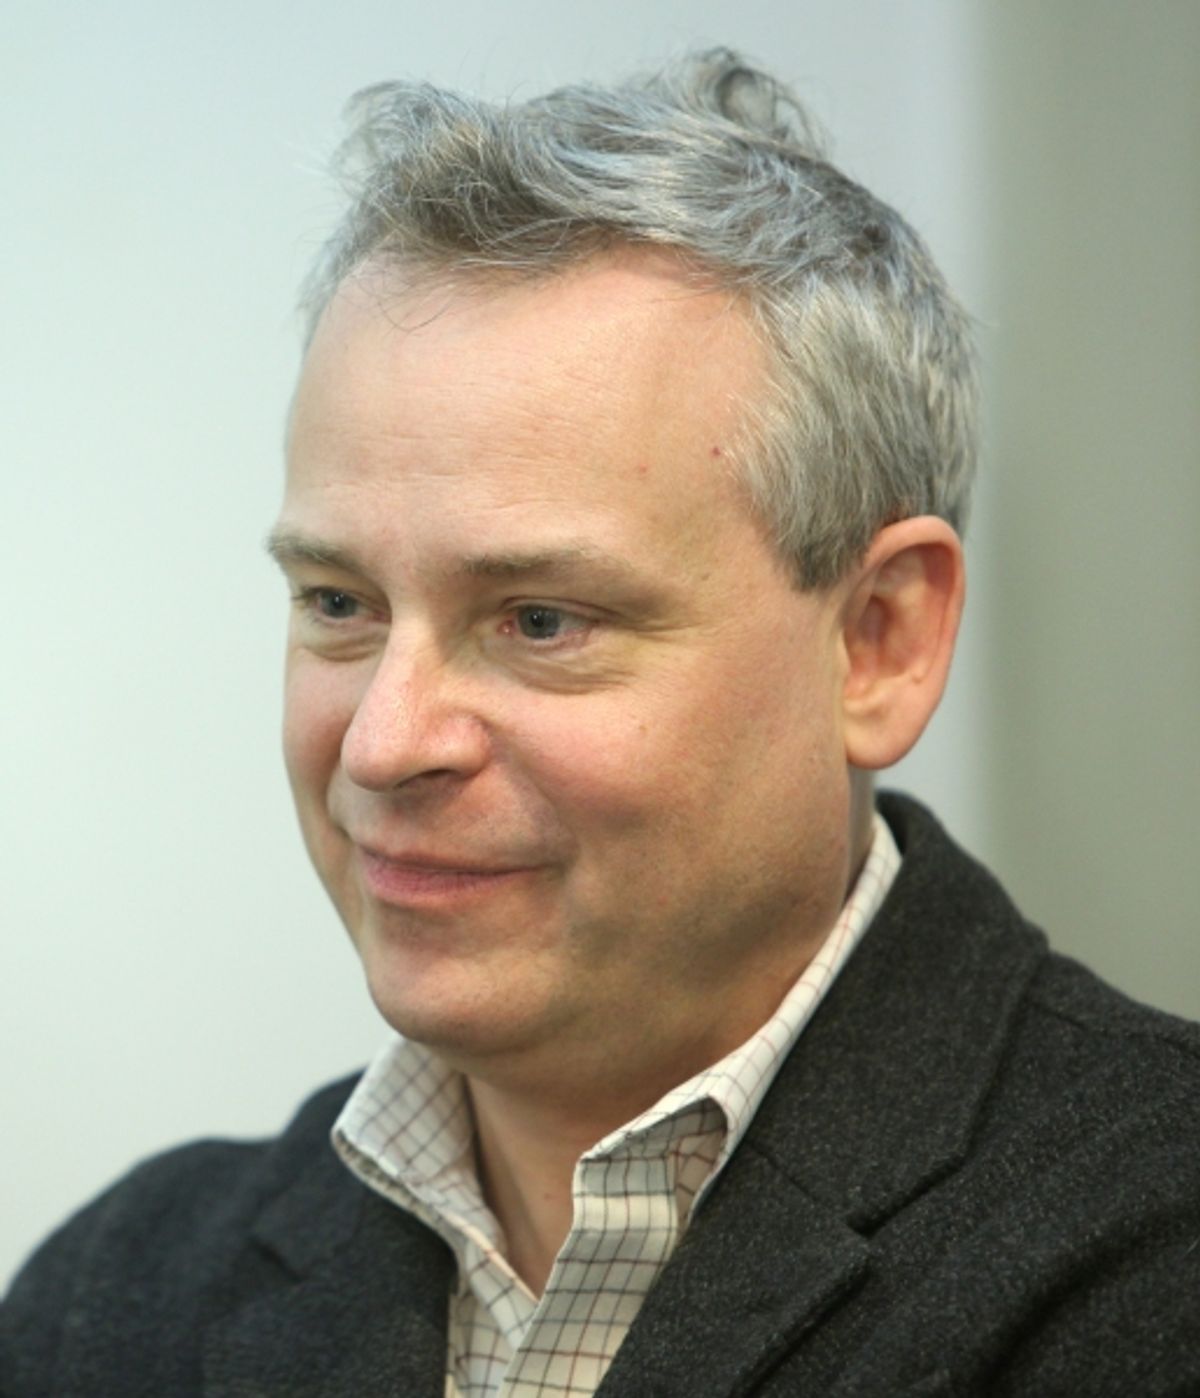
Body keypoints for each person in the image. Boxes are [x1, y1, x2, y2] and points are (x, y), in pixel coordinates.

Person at [3, 48, 1198, 1398]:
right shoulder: (112, 1300)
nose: (385, 744)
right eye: (339, 602)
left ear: (878, 642)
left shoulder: (1153, 1263)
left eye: (540, 620)